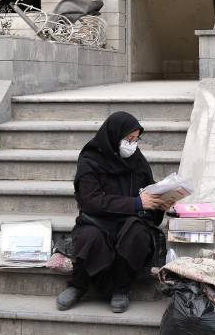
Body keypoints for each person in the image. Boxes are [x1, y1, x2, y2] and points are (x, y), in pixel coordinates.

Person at [56, 111, 172, 313]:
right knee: (89, 236)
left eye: (136, 139)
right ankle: (78, 285)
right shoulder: (90, 160)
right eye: (128, 139)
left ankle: (122, 288)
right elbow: (91, 201)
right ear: (114, 136)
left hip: (129, 221)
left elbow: (147, 189)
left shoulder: (137, 159)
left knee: (137, 234)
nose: (132, 144)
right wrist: (136, 203)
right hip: (97, 220)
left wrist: (159, 201)